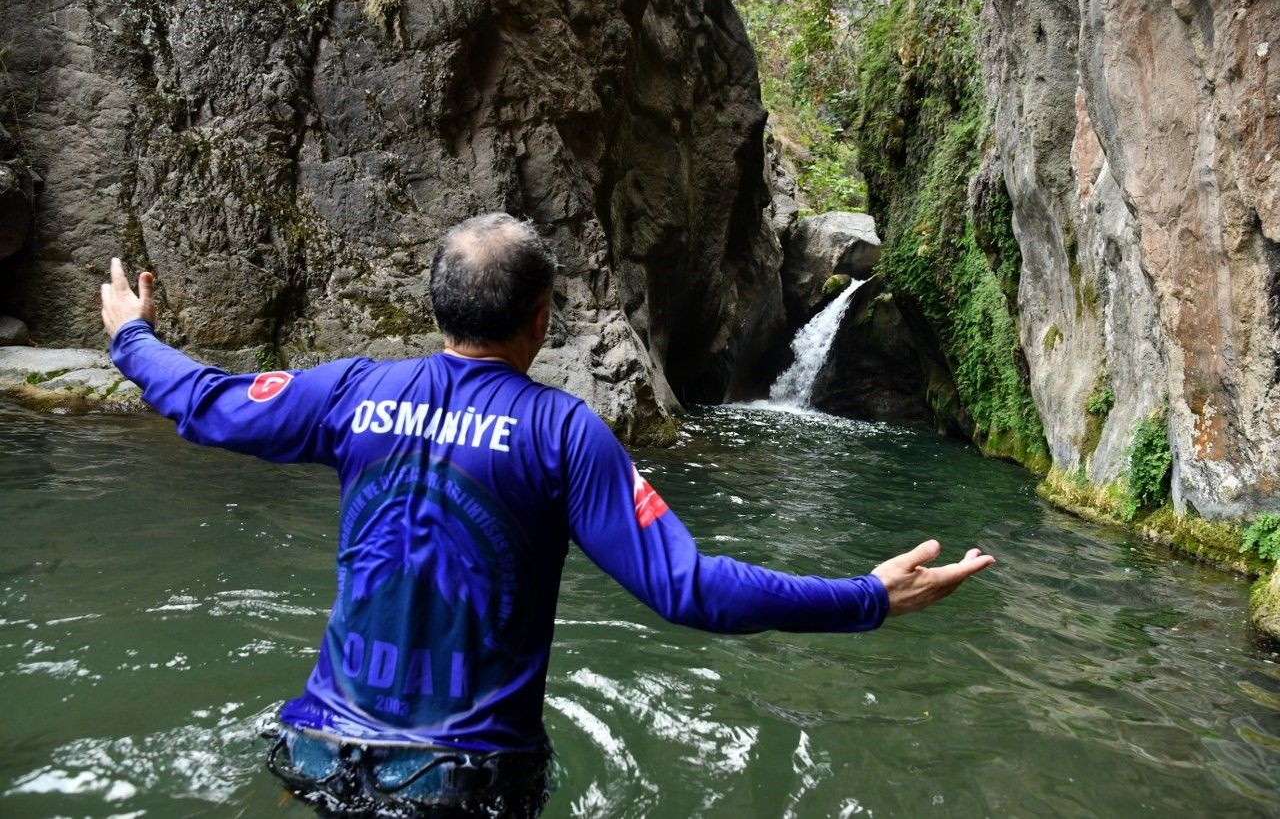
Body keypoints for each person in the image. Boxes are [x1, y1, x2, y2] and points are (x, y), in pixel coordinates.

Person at [100, 212, 994, 817]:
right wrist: (865, 596)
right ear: (541, 319)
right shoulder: (565, 435)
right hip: (466, 783)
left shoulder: (355, 391)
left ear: (437, 307)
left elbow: (208, 402)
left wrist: (131, 335)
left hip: (318, 752)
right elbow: (688, 590)